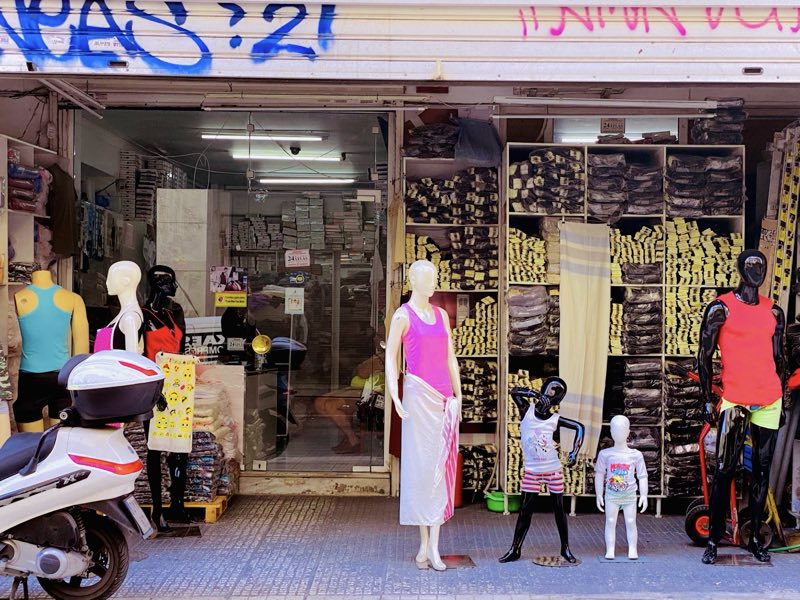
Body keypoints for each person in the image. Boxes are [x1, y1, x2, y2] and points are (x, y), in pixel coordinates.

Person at [698, 249, 785, 564]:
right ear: (739, 269)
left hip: (769, 398)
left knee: (761, 472)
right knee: (725, 470)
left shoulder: (774, 311)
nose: (757, 272)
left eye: (761, 267)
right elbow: (704, 355)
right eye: (751, 266)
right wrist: (706, 398)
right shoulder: (720, 308)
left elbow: (779, 358)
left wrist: (783, 399)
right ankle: (713, 540)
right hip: (735, 397)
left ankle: (755, 540)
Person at [313, 351, 384, 454]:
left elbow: (362, 371)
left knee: (330, 405)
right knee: (319, 402)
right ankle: (351, 435)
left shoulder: (384, 355)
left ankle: (352, 439)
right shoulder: (379, 353)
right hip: (359, 389)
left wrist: (373, 359)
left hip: (374, 394)